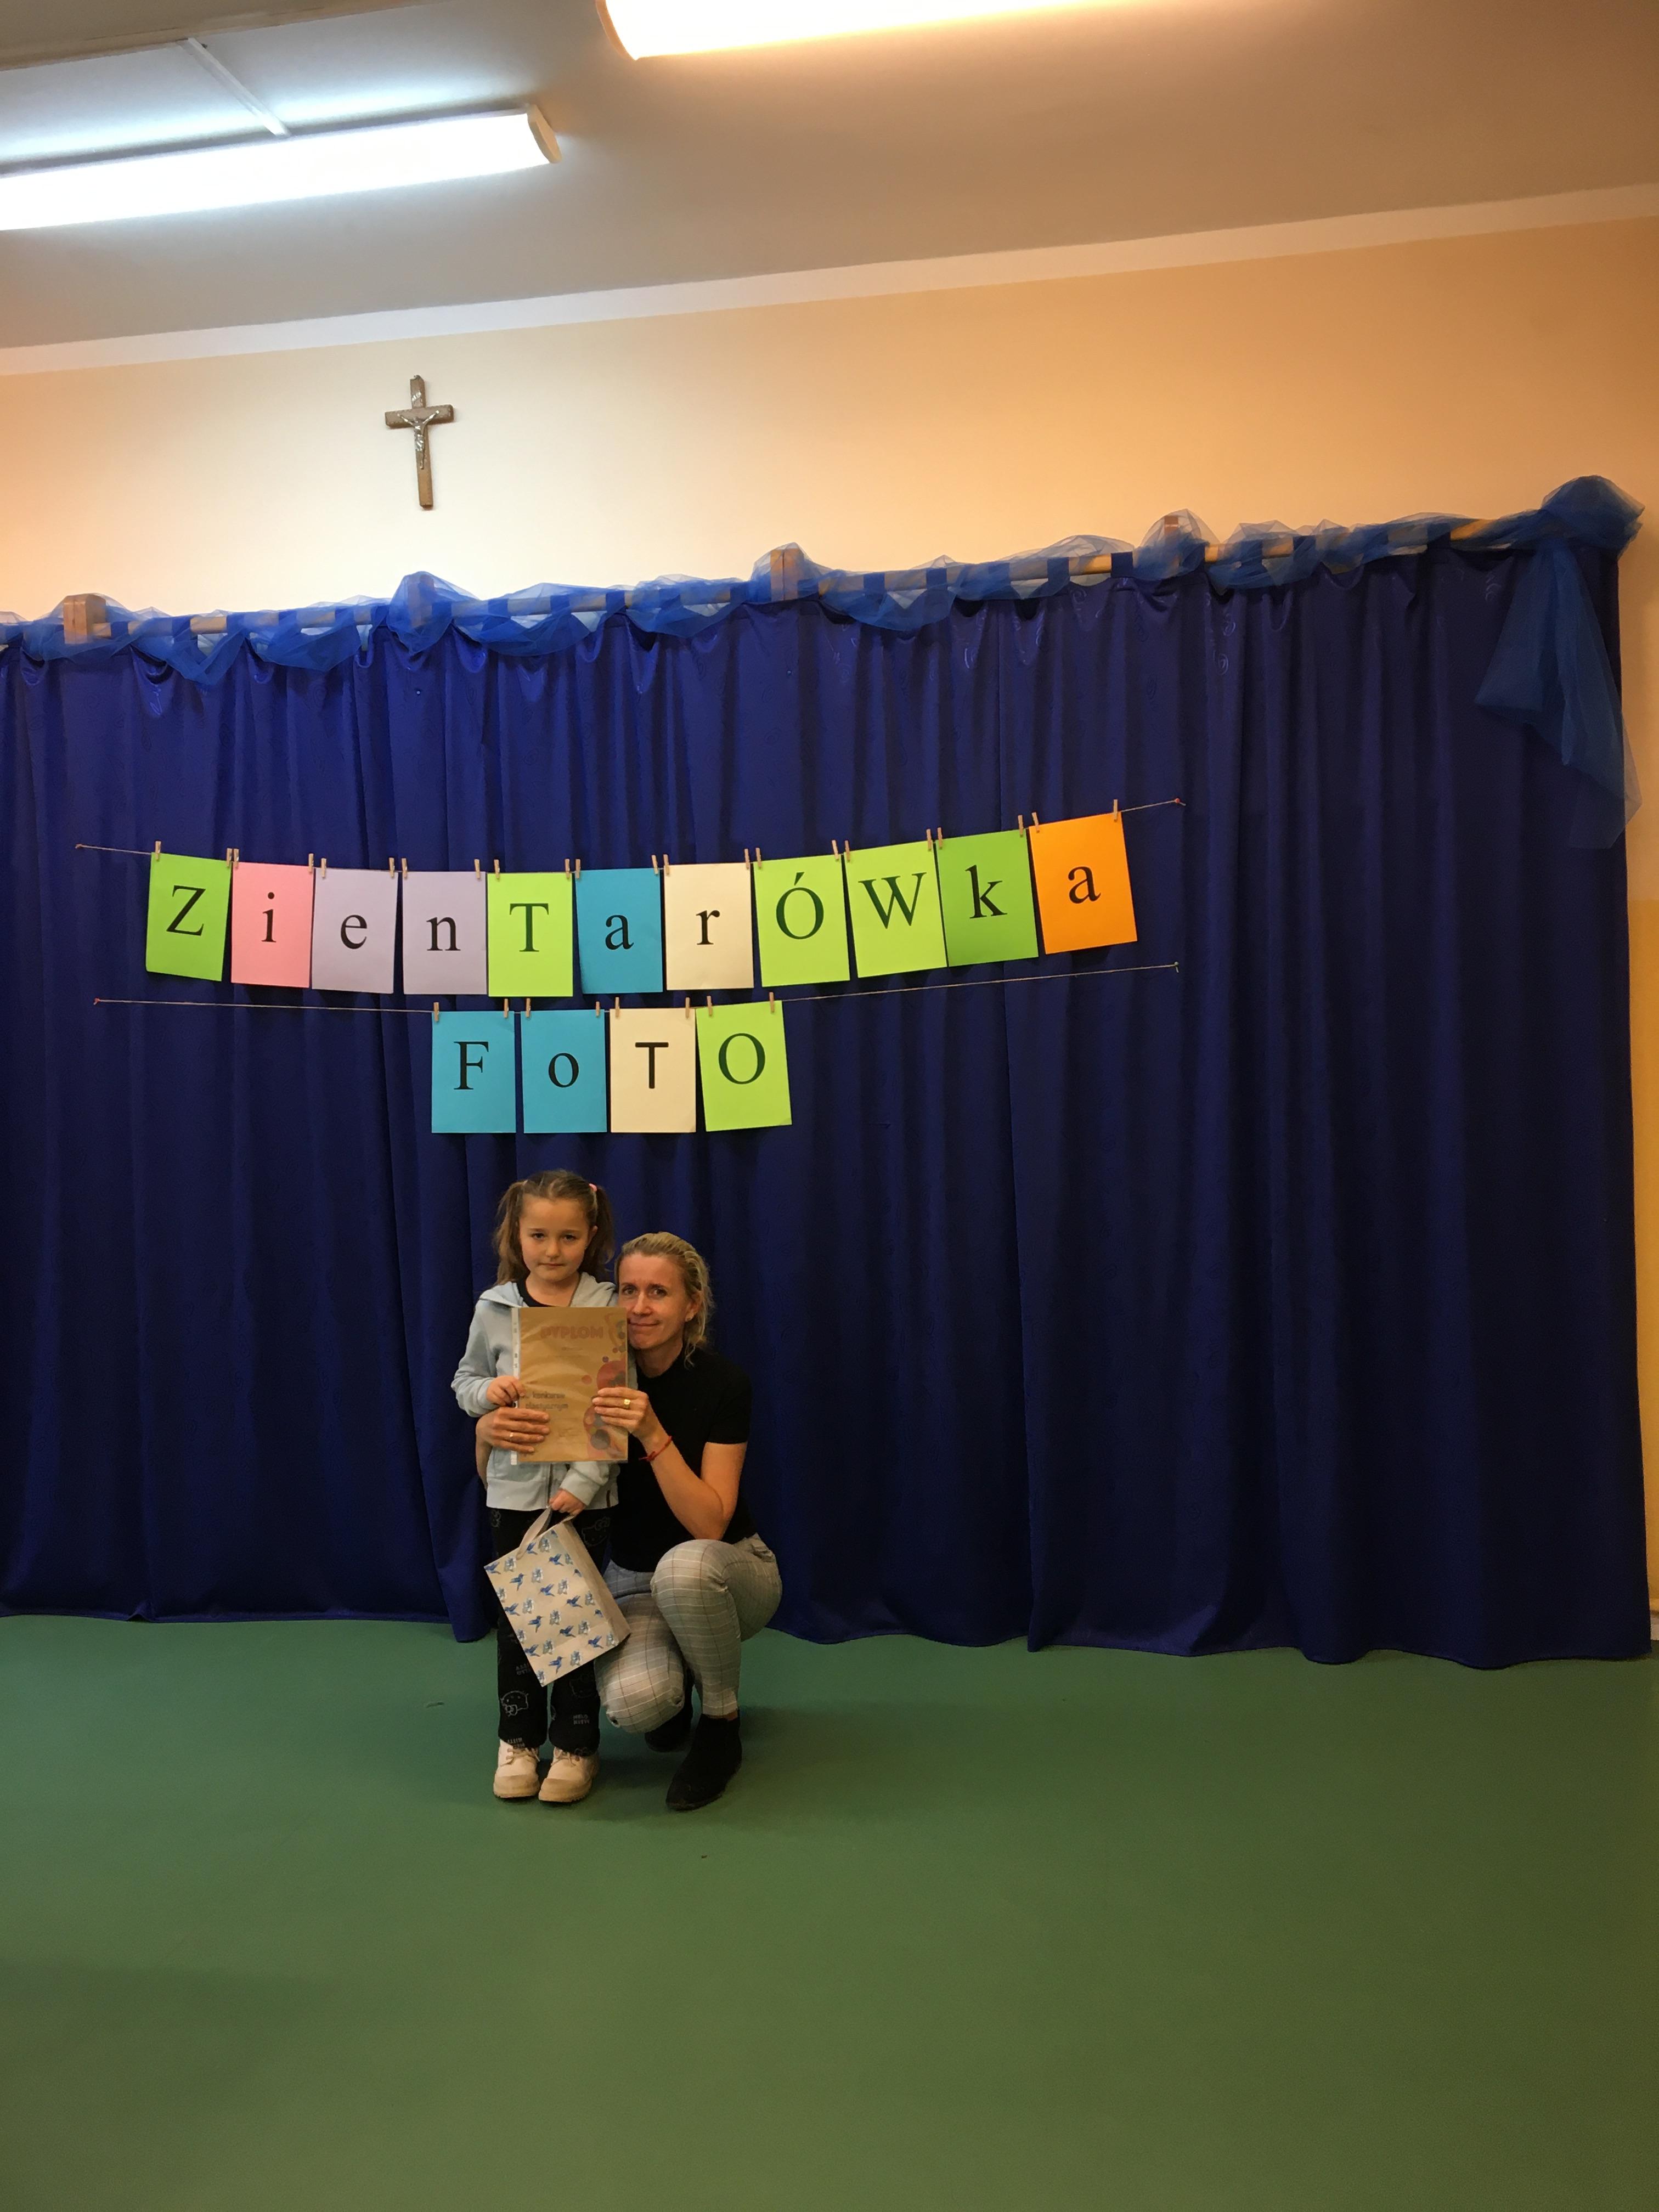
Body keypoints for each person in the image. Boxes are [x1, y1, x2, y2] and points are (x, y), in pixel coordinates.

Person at [589, 1232, 781, 1812]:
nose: (639, 1307)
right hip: (635, 1579)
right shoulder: (593, 1376)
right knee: (637, 1706)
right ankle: (676, 1686)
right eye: (627, 1290)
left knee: (685, 1567)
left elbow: (709, 1524)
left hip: (728, 1569)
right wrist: (486, 1432)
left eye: (658, 1292)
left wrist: (651, 1432)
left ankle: (721, 1723)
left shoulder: (724, 1384)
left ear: (692, 1305)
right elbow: (515, 1482)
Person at [453, 1170, 620, 1808]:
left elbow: (616, 1402)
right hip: (513, 1494)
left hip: (585, 1497)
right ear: (516, 1235)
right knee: (520, 1623)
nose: (553, 1250)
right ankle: (518, 1741)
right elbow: (465, 1381)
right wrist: (486, 1396)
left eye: (569, 1237)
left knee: (577, 1622)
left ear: (591, 1236)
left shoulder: (606, 1307)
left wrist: (585, 1482)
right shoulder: (494, 1308)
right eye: (539, 1235)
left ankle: (576, 1746)